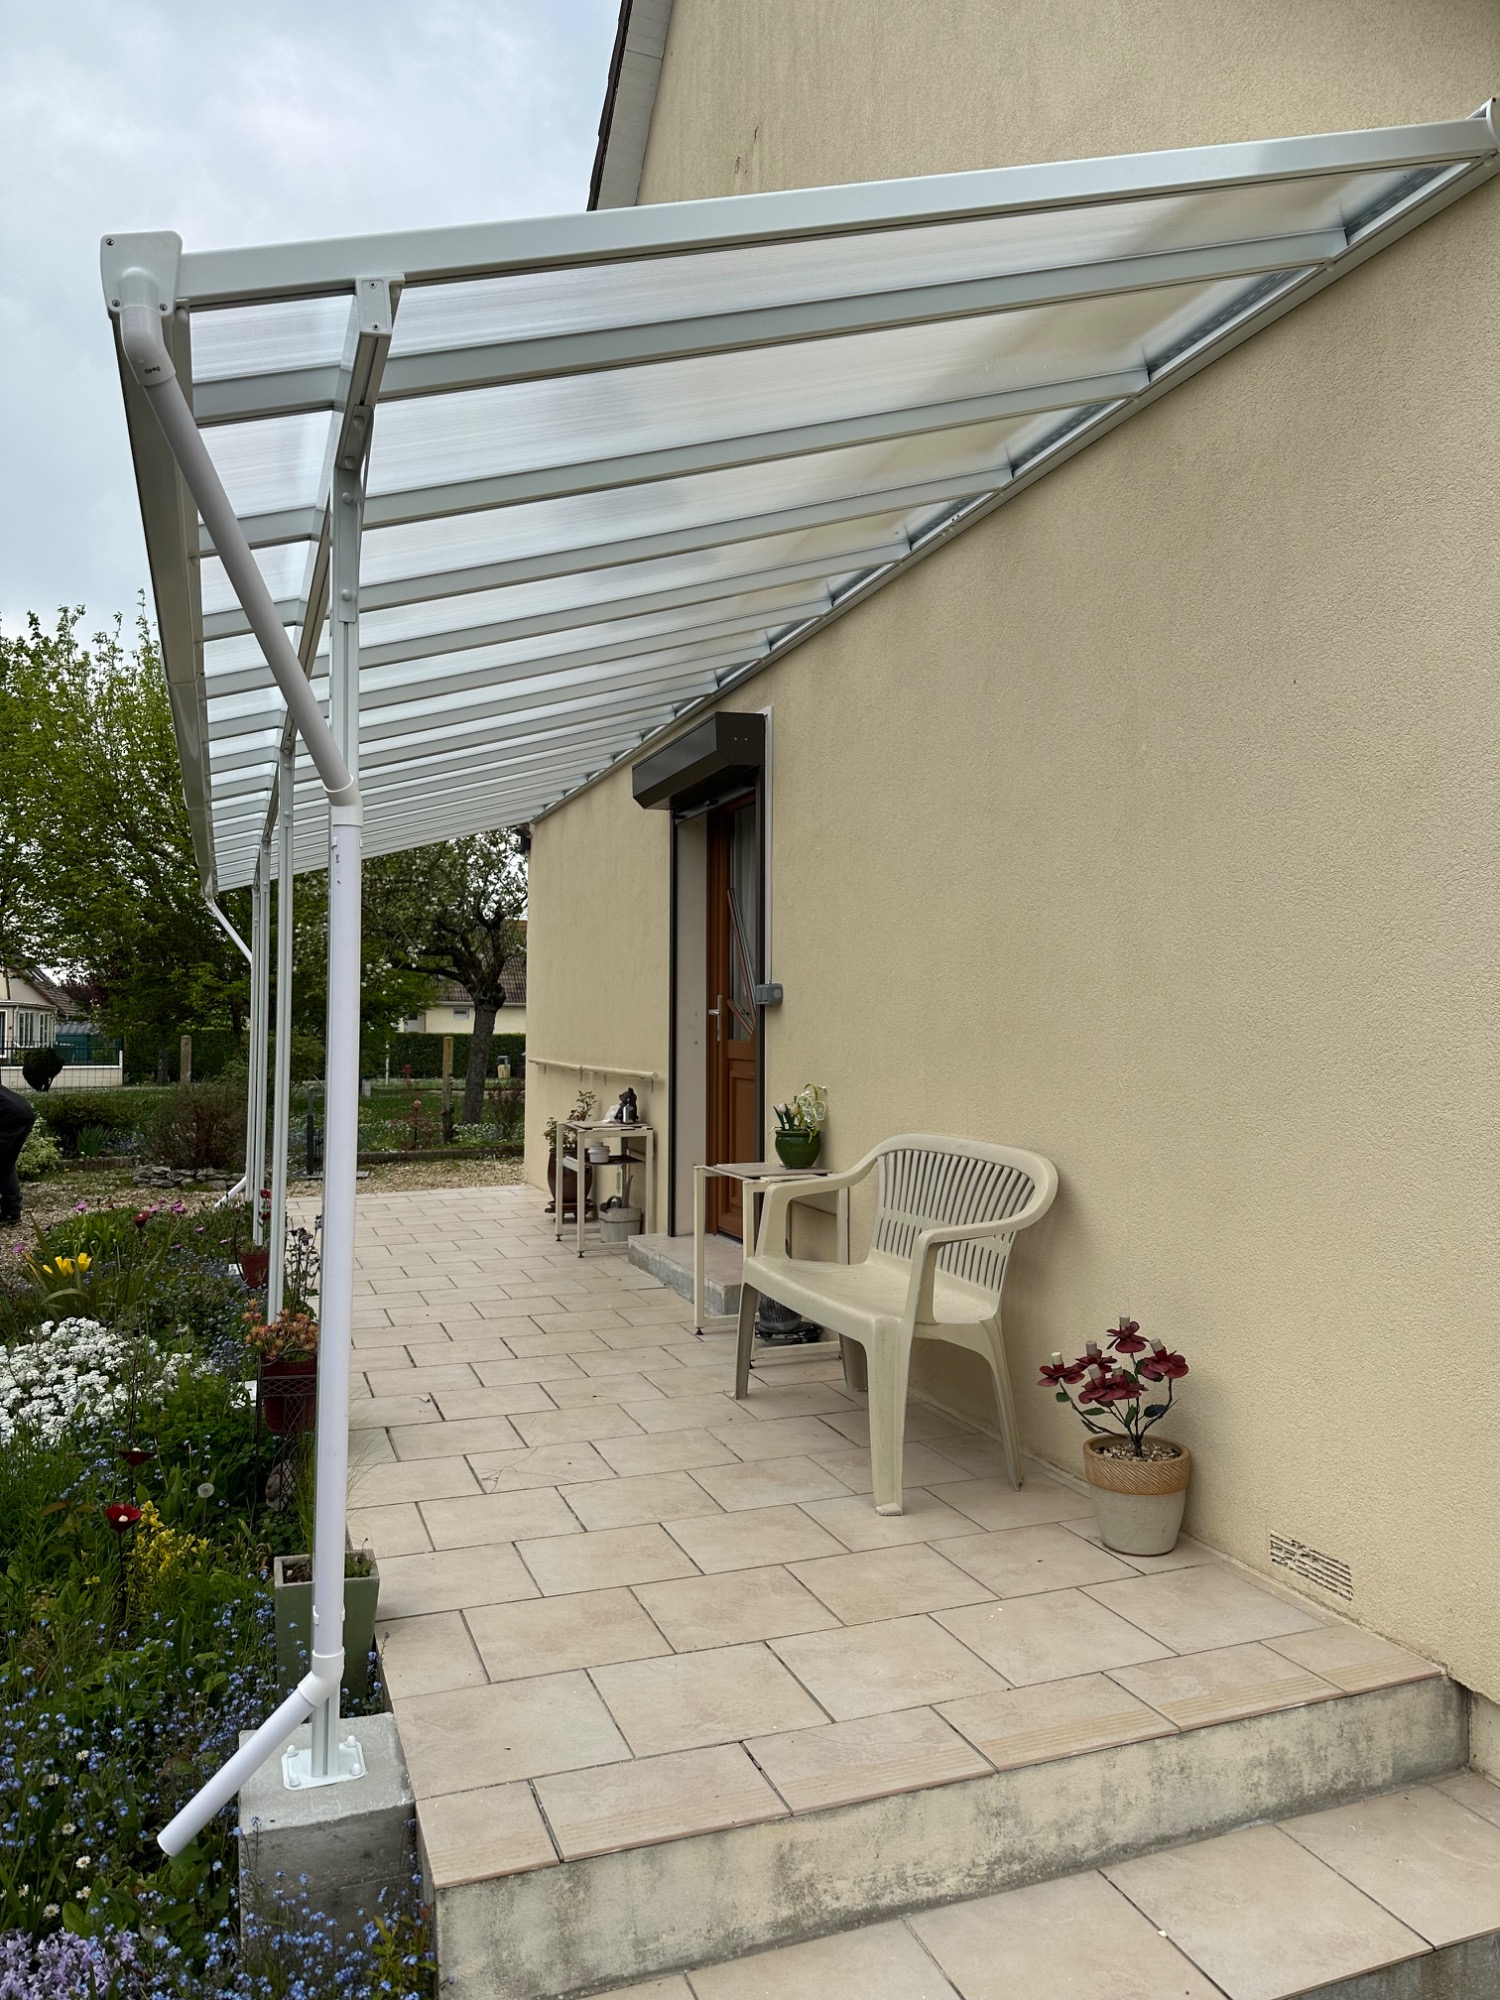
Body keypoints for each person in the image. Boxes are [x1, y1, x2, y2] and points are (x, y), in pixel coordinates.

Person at [0, 1082, 38, 1224]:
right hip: (24, 1113)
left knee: (5, 1164)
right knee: (6, 1164)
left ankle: (12, 1211)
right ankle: (12, 1213)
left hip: (9, 1118)